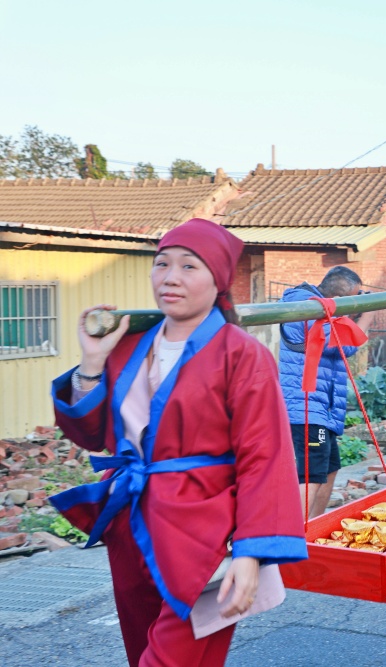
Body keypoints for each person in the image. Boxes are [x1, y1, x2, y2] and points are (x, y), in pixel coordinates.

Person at [49, 218, 307, 666]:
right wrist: (92, 362)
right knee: (144, 652)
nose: (170, 277)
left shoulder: (243, 355)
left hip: (205, 534)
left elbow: (265, 459)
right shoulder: (128, 345)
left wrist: (251, 554)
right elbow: (91, 435)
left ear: (218, 280)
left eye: (189, 266)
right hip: (132, 523)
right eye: (162, 264)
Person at [279, 266, 374, 519]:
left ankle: (313, 531)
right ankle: (295, 539)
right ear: (339, 299)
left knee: (329, 469)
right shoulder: (308, 308)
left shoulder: (323, 309)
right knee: (311, 474)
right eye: (354, 298)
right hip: (307, 407)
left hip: (322, 407)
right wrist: (369, 314)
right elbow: (343, 346)